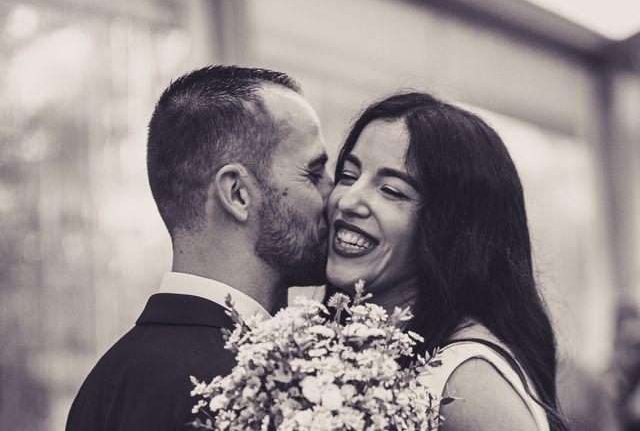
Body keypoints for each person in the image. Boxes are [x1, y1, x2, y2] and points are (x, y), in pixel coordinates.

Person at [66, 65, 332, 430]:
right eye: (314, 174)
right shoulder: (245, 388)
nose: (337, 197)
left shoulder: (104, 382)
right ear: (237, 193)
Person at [325, 92, 567, 431]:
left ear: (452, 227)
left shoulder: (465, 380)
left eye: (391, 190)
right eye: (349, 175)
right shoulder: (355, 349)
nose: (347, 200)